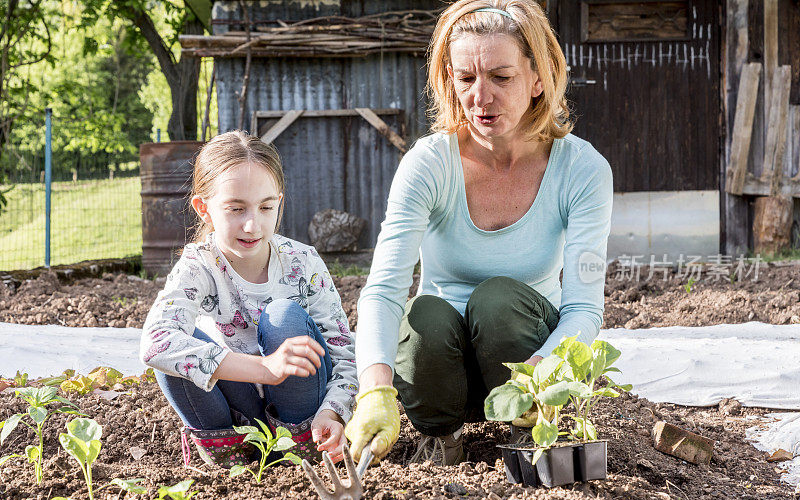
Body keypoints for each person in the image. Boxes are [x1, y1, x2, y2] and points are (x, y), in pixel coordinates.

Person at [345, 0, 613, 466]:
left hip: (524, 361)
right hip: (440, 371)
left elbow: (584, 308)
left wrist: (538, 373)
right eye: (466, 78)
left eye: (501, 77)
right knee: (424, 315)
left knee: (497, 300)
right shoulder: (428, 165)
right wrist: (373, 388)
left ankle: (526, 431)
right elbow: (384, 289)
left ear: (538, 78)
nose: (481, 97)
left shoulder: (582, 169)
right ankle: (440, 439)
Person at [140, 131, 358, 468]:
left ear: (279, 204)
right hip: (239, 411)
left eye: (266, 206)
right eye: (236, 208)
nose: (253, 224)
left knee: (283, 317)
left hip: (301, 408)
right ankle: (231, 454)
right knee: (174, 353)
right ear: (204, 208)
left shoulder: (302, 262)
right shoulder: (200, 265)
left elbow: (345, 355)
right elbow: (155, 343)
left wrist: (333, 412)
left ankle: (296, 449)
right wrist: (264, 368)